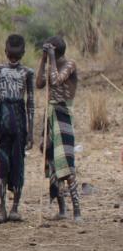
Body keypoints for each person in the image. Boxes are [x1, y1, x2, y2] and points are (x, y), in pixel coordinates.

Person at [0, 34, 35, 224]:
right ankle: (2, 207)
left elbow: (30, 103)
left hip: (19, 122)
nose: (13, 58)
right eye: (11, 54)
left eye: (17, 55)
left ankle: (15, 207)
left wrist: (30, 131)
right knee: (3, 164)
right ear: (5, 52)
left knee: (18, 164)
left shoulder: (27, 73)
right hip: (3, 119)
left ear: (23, 53)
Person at [37, 36, 80, 221]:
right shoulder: (50, 65)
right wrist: (43, 59)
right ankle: (62, 209)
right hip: (50, 115)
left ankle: (77, 210)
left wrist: (52, 59)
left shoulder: (70, 65)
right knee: (52, 161)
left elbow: (55, 81)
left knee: (67, 163)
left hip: (63, 116)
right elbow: (39, 83)